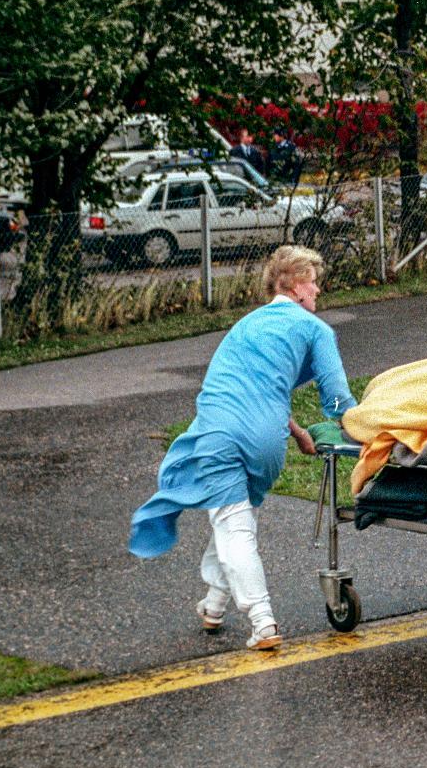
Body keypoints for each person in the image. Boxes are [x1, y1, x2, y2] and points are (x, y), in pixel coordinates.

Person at [129, 246, 355, 649]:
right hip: (265, 439)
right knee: (234, 517)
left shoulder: (245, 326)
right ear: (296, 285)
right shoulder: (314, 329)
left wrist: (300, 432)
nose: (319, 289)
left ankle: (262, 620)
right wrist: (356, 429)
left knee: (233, 523)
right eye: (314, 281)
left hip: (218, 430)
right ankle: (214, 605)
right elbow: (337, 400)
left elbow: (248, 384)